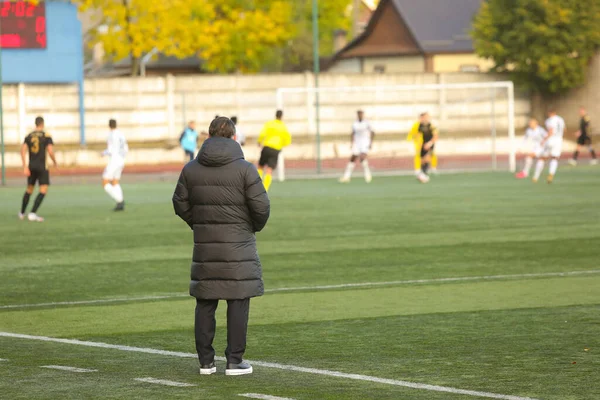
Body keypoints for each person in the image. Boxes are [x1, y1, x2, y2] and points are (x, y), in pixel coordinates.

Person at [173, 117, 270, 377]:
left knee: (205, 300)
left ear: (209, 135)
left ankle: (206, 362)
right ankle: (235, 361)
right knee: (238, 299)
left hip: (206, 245)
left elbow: (179, 203)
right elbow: (262, 207)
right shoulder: (245, 169)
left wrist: (199, 223)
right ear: (233, 137)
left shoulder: (190, 169)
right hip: (238, 244)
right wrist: (249, 227)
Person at [19, 116, 57, 222]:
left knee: (29, 189)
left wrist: (25, 167)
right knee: (43, 190)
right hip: (42, 167)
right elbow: (50, 151)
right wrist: (55, 162)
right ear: (42, 124)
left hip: (31, 166)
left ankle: (22, 213)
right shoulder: (46, 135)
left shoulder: (29, 136)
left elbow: (22, 151)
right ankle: (32, 213)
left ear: (35, 124)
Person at [257, 110, 291, 191]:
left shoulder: (270, 124)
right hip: (276, 149)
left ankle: (256, 185)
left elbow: (262, 133)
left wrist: (259, 141)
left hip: (267, 146)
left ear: (275, 115)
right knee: (269, 170)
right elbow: (288, 140)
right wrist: (281, 145)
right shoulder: (283, 126)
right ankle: (265, 188)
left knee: (260, 166)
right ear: (282, 116)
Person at [340, 110, 375, 183]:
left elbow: (372, 132)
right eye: (359, 114)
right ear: (357, 115)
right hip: (357, 143)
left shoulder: (367, 123)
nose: (360, 115)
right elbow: (352, 133)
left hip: (365, 142)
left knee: (362, 157)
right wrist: (352, 143)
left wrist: (371, 142)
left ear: (363, 115)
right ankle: (346, 176)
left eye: (361, 114)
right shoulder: (355, 124)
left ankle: (367, 175)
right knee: (353, 158)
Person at [532, 109, 565, 184]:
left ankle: (535, 177)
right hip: (559, 140)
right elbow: (564, 129)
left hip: (551, 140)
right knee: (554, 158)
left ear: (549, 113)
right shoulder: (561, 119)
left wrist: (544, 140)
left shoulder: (549, 120)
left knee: (542, 158)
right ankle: (551, 174)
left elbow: (551, 131)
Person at [102, 119, 128, 211]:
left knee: (105, 182)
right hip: (121, 160)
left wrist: (103, 153)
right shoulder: (121, 135)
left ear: (109, 126)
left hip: (114, 160)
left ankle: (120, 201)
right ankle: (120, 204)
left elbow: (110, 150)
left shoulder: (111, 135)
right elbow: (126, 149)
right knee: (115, 181)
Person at [416, 113, 438, 183]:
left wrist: (429, 144)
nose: (422, 119)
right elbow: (419, 135)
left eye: (424, 117)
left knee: (427, 158)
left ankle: (425, 174)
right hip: (423, 144)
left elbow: (435, 136)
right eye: (421, 118)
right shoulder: (420, 125)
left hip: (430, 144)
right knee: (422, 160)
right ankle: (422, 173)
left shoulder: (431, 126)